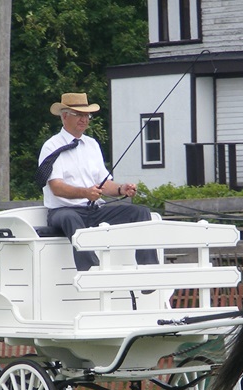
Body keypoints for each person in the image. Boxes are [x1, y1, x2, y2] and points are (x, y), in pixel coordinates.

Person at [37, 92, 158, 271]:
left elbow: (104, 183)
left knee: (140, 212)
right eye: (79, 114)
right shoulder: (51, 146)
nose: (84, 119)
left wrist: (121, 189)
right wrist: (85, 193)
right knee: (70, 217)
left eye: (87, 115)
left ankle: (149, 271)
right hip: (63, 211)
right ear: (64, 116)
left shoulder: (92, 145)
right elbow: (57, 188)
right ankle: (91, 271)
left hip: (94, 210)